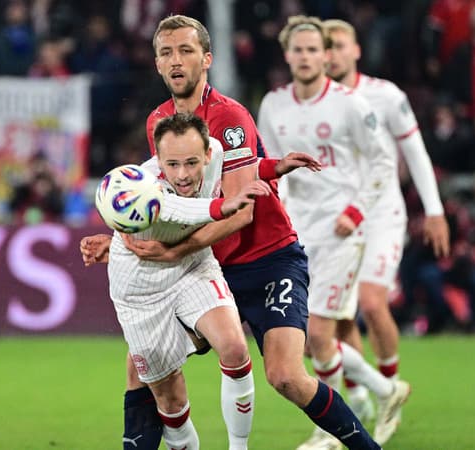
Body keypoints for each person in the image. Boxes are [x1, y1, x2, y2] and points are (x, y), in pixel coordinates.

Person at [83, 14, 380, 450]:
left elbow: (238, 214)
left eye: (186, 50)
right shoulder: (159, 122)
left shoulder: (229, 116)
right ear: (157, 64)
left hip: (266, 260)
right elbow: (172, 203)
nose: (176, 61)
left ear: (206, 59)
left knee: (286, 377)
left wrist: (170, 253)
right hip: (207, 264)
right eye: (166, 53)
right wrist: (119, 238)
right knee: (144, 368)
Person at [256, 16, 412, 449]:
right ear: (287, 55)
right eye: (298, 50)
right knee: (305, 342)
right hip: (295, 234)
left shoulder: (350, 104)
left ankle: (330, 430)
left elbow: (383, 163)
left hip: (343, 232)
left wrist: (356, 211)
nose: (305, 57)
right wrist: (276, 212)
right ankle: (384, 391)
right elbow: (270, 169)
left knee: (319, 335)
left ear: (326, 55)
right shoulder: (272, 105)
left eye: (313, 50)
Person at [103, 112, 274, 450]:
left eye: (192, 163)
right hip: (140, 292)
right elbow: (179, 210)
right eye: (172, 164)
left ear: (209, 154)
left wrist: (276, 166)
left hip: (192, 265)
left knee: (235, 347)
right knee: (170, 401)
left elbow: (250, 167)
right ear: (158, 159)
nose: (182, 175)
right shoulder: (145, 183)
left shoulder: (219, 155)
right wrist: (223, 206)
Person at [324, 18, 450, 439]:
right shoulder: (313, 103)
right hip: (335, 220)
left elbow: (415, 152)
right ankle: (364, 396)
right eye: (324, 46)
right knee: (337, 322)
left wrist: (434, 210)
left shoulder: (385, 95)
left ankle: (389, 388)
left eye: (339, 45)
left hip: (381, 214)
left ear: (356, 50)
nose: (331, 53)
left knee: (373, 304)